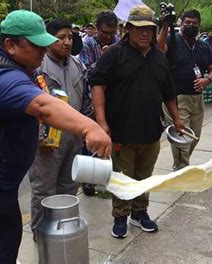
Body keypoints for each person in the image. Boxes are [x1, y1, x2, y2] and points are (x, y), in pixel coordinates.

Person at [0, 10, 111, 263]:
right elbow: (42, 106)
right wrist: (90, 128)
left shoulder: (16, 63)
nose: (44, 50)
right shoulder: (3, 76)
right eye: (36, 45)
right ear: (10, 44)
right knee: (7, 233)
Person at [90, 5, 184, 239]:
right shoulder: (115, 54)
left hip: (151, 131)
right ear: (128, 29)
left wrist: (178, 119)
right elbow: (98, 86)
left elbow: (169, 92)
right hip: (121, 131)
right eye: (140, 29)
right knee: (122, 177)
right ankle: (120, 217)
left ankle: (139, 213)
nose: (145, 34)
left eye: (150, 30)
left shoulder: (158, 57)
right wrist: (101, 121)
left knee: (144, 176)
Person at [28, 18, 93, 239]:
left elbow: (85, 99)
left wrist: (85, 130)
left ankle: (63, 232)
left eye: (69, 37)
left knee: (69, 186)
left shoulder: (77, 64)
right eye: (60, 37)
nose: (66, 42)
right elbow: (32, 107)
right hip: (47, 141)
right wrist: (40, 137)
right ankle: (41, 236)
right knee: (44, 191)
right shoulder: (37, 67)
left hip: (73, 137)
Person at [157, 9, 212, 171]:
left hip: (197, 99)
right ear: (181, 24)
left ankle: (180, 164)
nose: (190, 26)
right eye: (187, 23)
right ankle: (181, 169)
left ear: (199, 26)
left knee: (194, 137)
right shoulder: (172, 41)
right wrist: (164, 27)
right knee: (182, 138)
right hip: (176, 98)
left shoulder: (204, 46)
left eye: (194, 23)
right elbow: (158, 49)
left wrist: (207, 80)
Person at [79, 10, 120, 196]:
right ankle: (88, 180)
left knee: (110, 138)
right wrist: (103, 60)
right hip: (91, 99)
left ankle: (107, 174)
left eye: (112, 33)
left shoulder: (119, 43)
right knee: (91, 139)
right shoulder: (87, 44)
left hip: (114, 98)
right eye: (105, 32)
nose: (108, 36)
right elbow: (85, 72)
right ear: (96, 29)